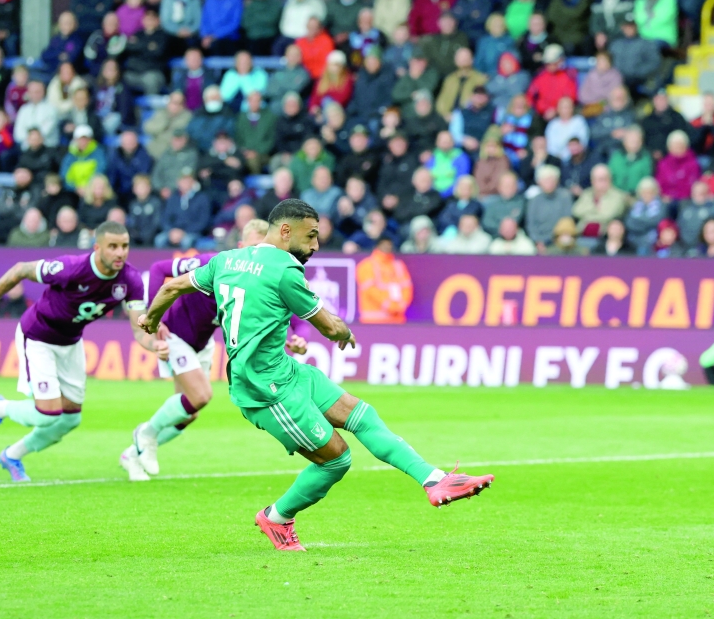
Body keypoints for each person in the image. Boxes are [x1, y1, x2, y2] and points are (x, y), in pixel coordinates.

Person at [150, 207, 476, 549]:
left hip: (287, 371)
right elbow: (330, 326)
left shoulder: (226, 259)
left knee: (362, 414)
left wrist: (150, 319)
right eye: (311, 235)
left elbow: (172, 286)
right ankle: (276, 517)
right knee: (337, 459)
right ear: (286, 231)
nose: (317, 244)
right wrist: (344, 331)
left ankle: (435, 480)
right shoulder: (285, 269)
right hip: (264, 389)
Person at [0, 221, 163, 482]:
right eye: (113, 247)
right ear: (97, 248)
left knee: (70, 419)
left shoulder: (130, 280)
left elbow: (139, 329)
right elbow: (20, 270)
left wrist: (156, 345)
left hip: (70, 342)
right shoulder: (71, 268)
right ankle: (0, 408)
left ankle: (12, 455)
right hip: (38, 335)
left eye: (125, 246)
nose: (120, 253)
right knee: (47, 411)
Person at [121, 220, 281, 481]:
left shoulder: (259, 280)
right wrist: (155, 315)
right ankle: (146, 434)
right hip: (175, 334)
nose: (257, 255)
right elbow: (160, 268)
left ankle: (132, 454)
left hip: (203, 342)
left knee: (189, 413)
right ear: (240, 246)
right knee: (202, 395)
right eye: (253, 247)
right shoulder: (212, 262)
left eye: (264, 249)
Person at [155, 168, 212, 248]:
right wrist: (171, 231)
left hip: (192, 232)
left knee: (187, 241)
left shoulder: (202, 198)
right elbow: (164, 218)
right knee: (159, 240)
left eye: (188, 180)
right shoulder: (173, 198)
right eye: (183, 180)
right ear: (178, 182)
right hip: (173, 231)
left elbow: (203, 221)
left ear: (194, 182)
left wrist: (184, 232)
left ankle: (185, 261)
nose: (185, 183)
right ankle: (163, 261)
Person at [609, 14, 662, 94]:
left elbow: (654, 62)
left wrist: (637, 72)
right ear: (622, 27)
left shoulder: (647, 43)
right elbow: (608, 62)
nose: (629, 29)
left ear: (636, 27)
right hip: (617, 79)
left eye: (632, 26)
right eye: (627, 26)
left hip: (638, 79)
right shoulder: (615, 45)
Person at [122, 8, 170, 96]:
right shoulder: (137, 33)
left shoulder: (163, 36)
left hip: (153, 72)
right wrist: (148, 46)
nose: (149, 21)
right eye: (147, 18)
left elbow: (158, 52)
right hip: (134, 72)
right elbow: (128, 47)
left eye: (152, 19)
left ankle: (151, 108)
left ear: (158, 20)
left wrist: (138, 45)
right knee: (121, 78)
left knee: (150, 80)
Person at [572, 164, 629, 238]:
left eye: (605, 179)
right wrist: (596, 210)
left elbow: (608, 215)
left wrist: (587, 215)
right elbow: (576, 211)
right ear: (592, 181)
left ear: (610, 179)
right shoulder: (587, 193)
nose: (603, 183)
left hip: (604, 236)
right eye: (599, 179)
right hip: (581, 234)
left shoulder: (618, 196)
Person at [525, 164, 573, 249]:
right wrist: (538, 241)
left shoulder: (565, 197)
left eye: (552, 180)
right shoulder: (534, 200)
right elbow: (531, 226)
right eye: (546, 180)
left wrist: (556, 238)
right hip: (539, 240)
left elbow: (566, 221)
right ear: (539, 182)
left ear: (557, 181)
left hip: (559, 237)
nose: (549, 183)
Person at [526, 45, 578, 120]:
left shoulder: (568, 77)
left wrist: (556, 110)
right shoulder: (540, 76)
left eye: (553, 63)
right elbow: (531, 96)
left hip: (561, 115)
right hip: (541, 115)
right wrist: (542, 110)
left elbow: (570, 98)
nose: (550, 66)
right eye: (548, 63)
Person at [435, 48, 488, 121]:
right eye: (461, 58)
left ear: (472, 60)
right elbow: (441, 101)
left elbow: (480, 101)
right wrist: (445, 114)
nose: (463, 60)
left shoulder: (480, 79)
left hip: (469, 118)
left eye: (466, 58)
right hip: (448, 117)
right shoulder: (450, 79)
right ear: (455, 61)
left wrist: (460, 117)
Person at [235, 91, 278, 175]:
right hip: (244, 153)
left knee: (253, 161)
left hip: (263, 154)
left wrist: (257, 152)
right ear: (248, 102)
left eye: (257, 101)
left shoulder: (270, 117)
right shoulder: (240, 117)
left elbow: (272, 139)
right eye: (252, 101)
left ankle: (255, 184)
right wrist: (245, 151)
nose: (254, 103)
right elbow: (237, 137)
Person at [640, 89, 688, 160]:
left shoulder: (677, 118)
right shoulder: (646, 120)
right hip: (649, 157)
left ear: (667, 99)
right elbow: (642, 140)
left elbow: (682, 139)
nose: (661, 101)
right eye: (658, 99)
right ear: (654, 100)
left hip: (672, 157)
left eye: (663, 99)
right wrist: (651, 152)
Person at [655, 129, 701, 202]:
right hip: (667, 200)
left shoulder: (693, 163)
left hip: (687, 200)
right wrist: (664, 195)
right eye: (675, 145)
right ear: (669, 147)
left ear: (686, 146)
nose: (678, 147)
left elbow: (693, 184)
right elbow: (660, 184)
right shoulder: (663, 164)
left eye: (680, 144)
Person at [143, 92, 192, 159]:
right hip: (155, 148)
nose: (175, 106)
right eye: (173, 103)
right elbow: (147, 128)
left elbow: (179, 135)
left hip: (173, 152)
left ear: (183, 105)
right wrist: (163, 124)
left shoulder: (187, 117)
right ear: (169, 103)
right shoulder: (161, 113)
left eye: (179, 103)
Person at [107, 130, 153, 200]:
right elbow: (112, 174)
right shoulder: (115, 155)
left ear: (136, 142)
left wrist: (133, 188)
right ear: (122, 143)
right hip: (119, 191)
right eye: (126, 141)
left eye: (131, 140)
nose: (129, 143)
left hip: (136, 191)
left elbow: (143, 174)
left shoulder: (144, 155)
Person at [60, 125, 107, 192]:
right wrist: (75, 188)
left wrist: (88, 187)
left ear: (91, 139)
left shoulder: (98, 153)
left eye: (86, 139)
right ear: (75, 140)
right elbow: (64, 175)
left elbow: (100, 170)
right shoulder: (70, 156)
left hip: (93, 190)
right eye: (80, 139)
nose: (83, 141)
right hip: (73, 192)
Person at [608, 125, 653, 195]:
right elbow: (609, 177)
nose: (634, 144)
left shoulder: (646, 158)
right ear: (624, 141)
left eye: (637, 140)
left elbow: (647, 180)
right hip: (616, 194)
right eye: (631, 140)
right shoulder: (616, 156)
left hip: (638, 196)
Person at [14, 81, 59, 150]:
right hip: (27, 148)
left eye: (37, 92)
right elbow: (18, 132)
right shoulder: (23, 109)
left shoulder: (51, 108)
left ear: (43, 92)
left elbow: (46, 131)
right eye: (32, 92)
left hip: (47, 147)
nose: (34, 95)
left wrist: (34, 139)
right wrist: (30, 140)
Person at [626, 176, 665, 255]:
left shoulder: (661, 205)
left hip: (652, 243)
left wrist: (638, 221)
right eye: (643, 192)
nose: (646, 195)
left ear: (655, 192)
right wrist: (647, 222)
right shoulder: (635, 205)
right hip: (633, 241)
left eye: (649, 192)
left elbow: (657, 221)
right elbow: (629, 222)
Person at [171, 48, 218, 112]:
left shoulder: (210, 75)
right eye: (191, 58)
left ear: (201, 59)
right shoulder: (180, 76)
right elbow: (176, 91)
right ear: (186, 60)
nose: (194, 60)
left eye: (196, 58)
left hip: (204, 111)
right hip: (184, 111)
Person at [545, 97, 589, 162]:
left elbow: (583, 142)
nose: (566, 110)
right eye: (563, 107)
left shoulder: (579, 121)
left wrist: (567, 156)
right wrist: (558, 157)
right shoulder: (552, 125)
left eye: (568, 107)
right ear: (558, 109)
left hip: (576, 158)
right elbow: (550, 147)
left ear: (572, 108)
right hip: (556, 159)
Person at [127, 174, 162, 246]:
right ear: (134, 189)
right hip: (137, 237)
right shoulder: (133, 205)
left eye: (143, 187)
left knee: (159, 239)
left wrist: (146, 236)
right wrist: (136, 235)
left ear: (149, 188)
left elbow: (156, 223)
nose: (141, 190)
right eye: (139, 187)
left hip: (152, 236)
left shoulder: (156, 203)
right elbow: (132, 223)